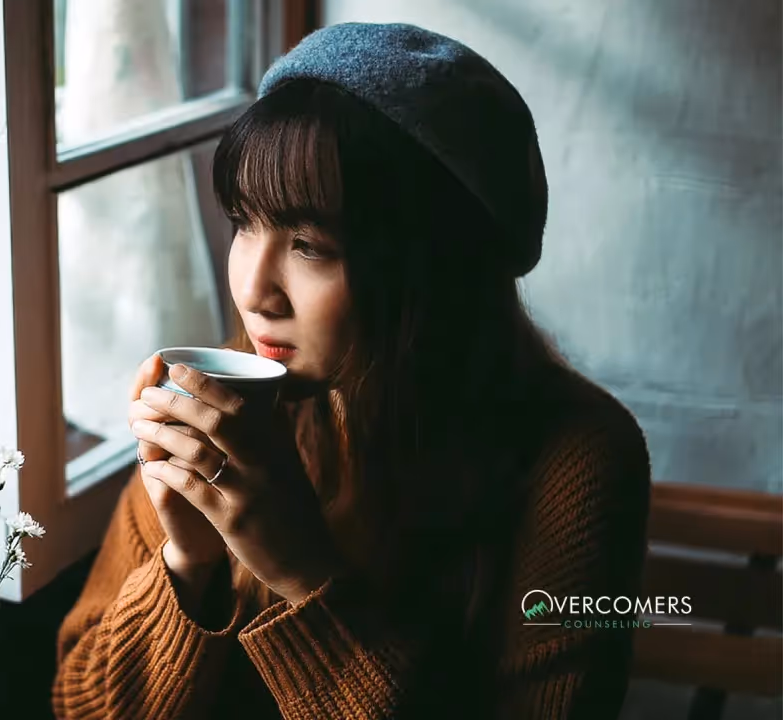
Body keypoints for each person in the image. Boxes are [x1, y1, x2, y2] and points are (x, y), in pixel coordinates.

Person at [52, 22, 651, 720]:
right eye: (245, 222)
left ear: (432, 265)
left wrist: (303, 576)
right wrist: (189, 566)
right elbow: (79, 707)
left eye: (309, 245)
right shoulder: (241, 398)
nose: (254, 290)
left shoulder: (578, 459)